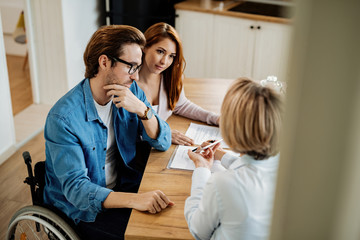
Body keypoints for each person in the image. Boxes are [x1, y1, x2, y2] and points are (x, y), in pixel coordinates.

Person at [43, 25, 173, 240]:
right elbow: (77, 190)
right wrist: (136, 200)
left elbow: (163, 141)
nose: (136, 76)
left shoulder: (131, 91)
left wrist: (143, 110)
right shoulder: (63, 119)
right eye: (131, 66)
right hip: (84, 211)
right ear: (104, 62)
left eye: (138, 67)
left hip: (125, 186)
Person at [184, 78, 283, 240]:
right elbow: (252, 168)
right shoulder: (282, 166)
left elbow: (197, 231)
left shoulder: (222, 184)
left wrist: (201, 169)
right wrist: (222, 156)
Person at [138, 22, 219, 146]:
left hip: (158, 148)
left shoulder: (170, 76)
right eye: (160, 51)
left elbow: (181, 105)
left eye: (171, 56)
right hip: (136, 149)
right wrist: (164, 132)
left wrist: (216, 119)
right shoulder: (129, 82)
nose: (164, 61)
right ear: (145, 47)